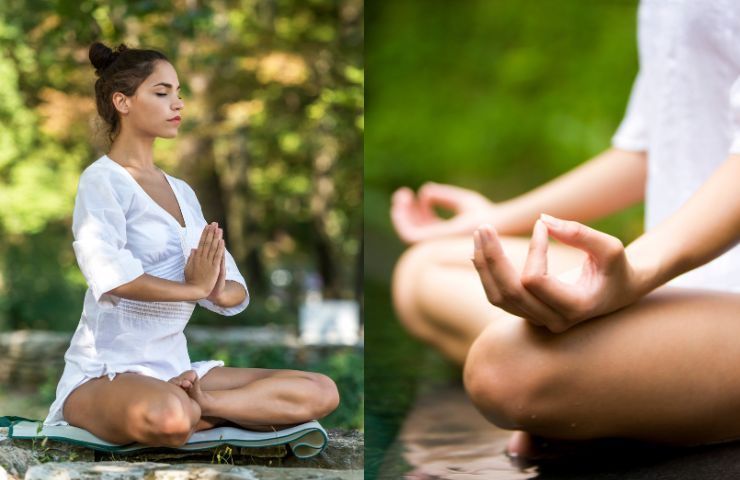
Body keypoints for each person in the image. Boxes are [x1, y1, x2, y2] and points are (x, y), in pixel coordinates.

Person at [391, 0, 740, 461]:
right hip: (684, 275)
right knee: (423, 268)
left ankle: (594, 386)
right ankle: (615, 387)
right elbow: (651, 146)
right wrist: (494, 221)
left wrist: (637, 271)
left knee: (505, 371)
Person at [43, 42, 339, 447]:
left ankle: (206, 403)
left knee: (322, 390)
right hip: (107, 371)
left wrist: (214, 287)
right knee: (169, 418)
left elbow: (233, 290)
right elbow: (110, 276)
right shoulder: (103, 180)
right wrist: (194, 289)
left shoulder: (181, 191)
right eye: (162, 93)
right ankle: (230, 414)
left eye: (179, 93)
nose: (177, 103)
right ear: (122, 102)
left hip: (177, 369)